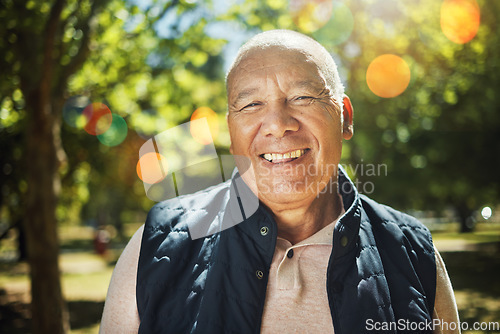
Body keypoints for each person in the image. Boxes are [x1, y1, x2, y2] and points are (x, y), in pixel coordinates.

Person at [100, 30, 460, 333]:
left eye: (303, 97)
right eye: (251, 105)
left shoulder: (414, 252)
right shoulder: (155, 245)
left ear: (345, 118)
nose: (277, 123)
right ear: (230, 130)